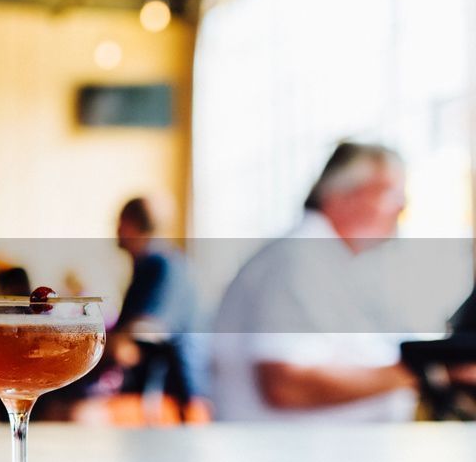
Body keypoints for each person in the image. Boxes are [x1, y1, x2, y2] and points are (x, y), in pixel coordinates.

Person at [212, 141, 418, 421]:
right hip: (289, 458)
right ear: (344, 196)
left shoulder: (329, 261)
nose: (401, 207)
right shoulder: (297, 261)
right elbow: (287, 385)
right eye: (391, 193)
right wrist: (417, 372)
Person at [109, 197, 204, 404]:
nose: (115, 229)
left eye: (119, 222)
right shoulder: (160, 262)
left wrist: (87, 346)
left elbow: (128, 349)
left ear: (131, 225)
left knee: (74, 413)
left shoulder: (161, 266)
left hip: (175, 401)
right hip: (162, 395)